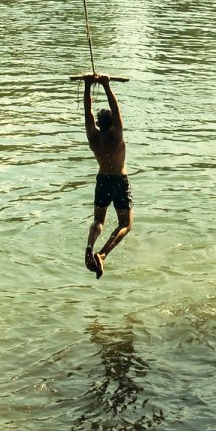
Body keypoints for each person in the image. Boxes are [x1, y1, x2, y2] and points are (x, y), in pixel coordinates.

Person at [84, 74, 132, 278]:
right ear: (112, 123)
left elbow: (87, 112)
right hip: (119, 181)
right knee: (125, 225)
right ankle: (102, 254)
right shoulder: (116, 135)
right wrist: (105, 85)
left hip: (102, 180)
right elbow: (116, 109)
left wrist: (87, 85)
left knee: (98, 221)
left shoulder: (93, 136)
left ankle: (88, 247)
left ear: (98, 123)